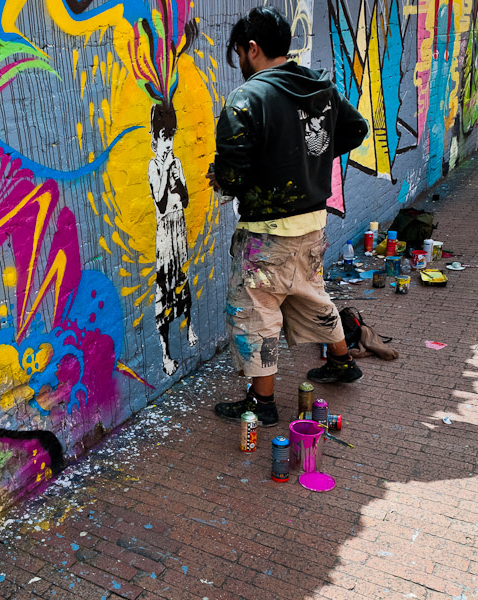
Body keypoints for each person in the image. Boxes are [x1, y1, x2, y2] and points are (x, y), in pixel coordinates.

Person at [206, 6, 369, 426]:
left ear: (253, 49)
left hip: (267, 232)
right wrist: (308, 159)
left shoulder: (247, 98)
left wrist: (224, 181)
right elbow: (356, 130)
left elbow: (230, 171)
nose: (240, 61)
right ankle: (341, 361)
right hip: (314, 223)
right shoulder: (319, 87)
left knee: (254, 311)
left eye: (239, 52)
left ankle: (261, 404)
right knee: (310, 293)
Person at [149, 102, 198, 376]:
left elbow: (186, 200)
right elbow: (160, 200)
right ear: (155, 137)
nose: (169, 142)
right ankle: (166, 353)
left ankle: (189, 326)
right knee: (164, 289)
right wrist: (167, 171)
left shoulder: (176, 162)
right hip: (165, 236)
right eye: (164, 137)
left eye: (172, 136)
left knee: (183, 279)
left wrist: (178, 179)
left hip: (179, 228)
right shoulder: (154, 166)